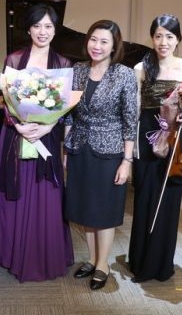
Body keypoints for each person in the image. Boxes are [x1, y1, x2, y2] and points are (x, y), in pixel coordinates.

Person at [0, 4, 74, 282]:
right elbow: (6, 101)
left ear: (55, 30)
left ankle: (41, 255)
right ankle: (10, 252)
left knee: (45, 193)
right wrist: (21, 125)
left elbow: (64, 106)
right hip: (16, 134)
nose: (43, 31)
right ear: (29, 29)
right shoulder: (14, 59)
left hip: (46, 136)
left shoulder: (63, 63)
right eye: (37, 26)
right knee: (17, 191)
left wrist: (48, 124)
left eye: (48, 26)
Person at [64, 19, 138, 290]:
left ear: (114, 46)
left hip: (110, 151)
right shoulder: (78, 69)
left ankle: (103, 264)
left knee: (104, 211)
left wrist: (126, 161)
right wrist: (66, 147)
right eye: (93, 39)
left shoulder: (124, 74)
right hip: (79, 147)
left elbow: (131, 120)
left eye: (104, 41)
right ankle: (93, 259)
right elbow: (70, 114)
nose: (97, 46)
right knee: (85, 209)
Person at [128, 14, 182, 282]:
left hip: (175, 138)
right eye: (158, 35)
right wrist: (131, 150)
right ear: (152, 38)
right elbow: (134, 110)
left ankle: (162, 263)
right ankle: (141, 262)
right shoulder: (140, 68)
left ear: (178, 39)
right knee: (145, 198)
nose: (163, 41)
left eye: (169, 36)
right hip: (147, 137)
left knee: (169, 200)